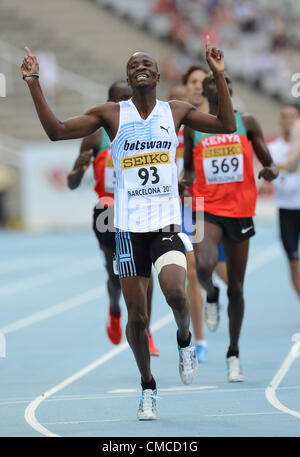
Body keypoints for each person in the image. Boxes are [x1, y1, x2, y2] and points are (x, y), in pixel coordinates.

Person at [21, 36, 236, 420]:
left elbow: (226, 124)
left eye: (147, 64)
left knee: (175, 293)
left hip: (166, 223)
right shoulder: (111, 115)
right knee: (137, 316)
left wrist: (218, 75)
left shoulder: (176, 111)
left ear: (156, 74)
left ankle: (184, 339)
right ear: (128, 75)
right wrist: (35, 83)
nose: (140, 67)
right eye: (134, 64)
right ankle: (148, 387)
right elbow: (56, 130)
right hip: (127, 229)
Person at [180, 72, 278, 382]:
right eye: (207, 84)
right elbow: (188, 172)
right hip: (205, 209)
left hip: (240, 210)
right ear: (205, 93)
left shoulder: (246, 122)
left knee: (237, 287)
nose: (213, 87)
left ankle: (233, 354)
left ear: (227, 89)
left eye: (219, 82)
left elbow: (267, 159)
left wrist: (271, 171)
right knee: (203, 266)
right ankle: (211, 295)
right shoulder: (194, 127)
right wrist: (184, 183)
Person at [67, 80, 160, 356]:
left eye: (129, 97)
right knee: (115, 273)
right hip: (107, 212)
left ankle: (147, 330)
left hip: (139, 208)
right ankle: (115, 308)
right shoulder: (95, 137)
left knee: (146, 272)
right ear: (109, 103)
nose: (127, 102)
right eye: (120, 99)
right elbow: (72, 183)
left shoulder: (145, 129)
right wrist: (80, 170)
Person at [178, 65, 228, 364]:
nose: (198, 86)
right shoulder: (171, 117)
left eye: (202, 82)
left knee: (224, 273)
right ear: (184, 87)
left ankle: (214, 294)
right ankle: (199, 338)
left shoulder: (215, 122)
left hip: (217, 207)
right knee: (192, 268)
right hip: (187, 205)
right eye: (192, 81)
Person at [262, 105, 300, 301]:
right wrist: (265, 184)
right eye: (285, 117)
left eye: (293, 116)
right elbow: (266, 178)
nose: (289, 120)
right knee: (293, 261)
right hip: (286, 211)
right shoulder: (274, 149)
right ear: (280, 121)